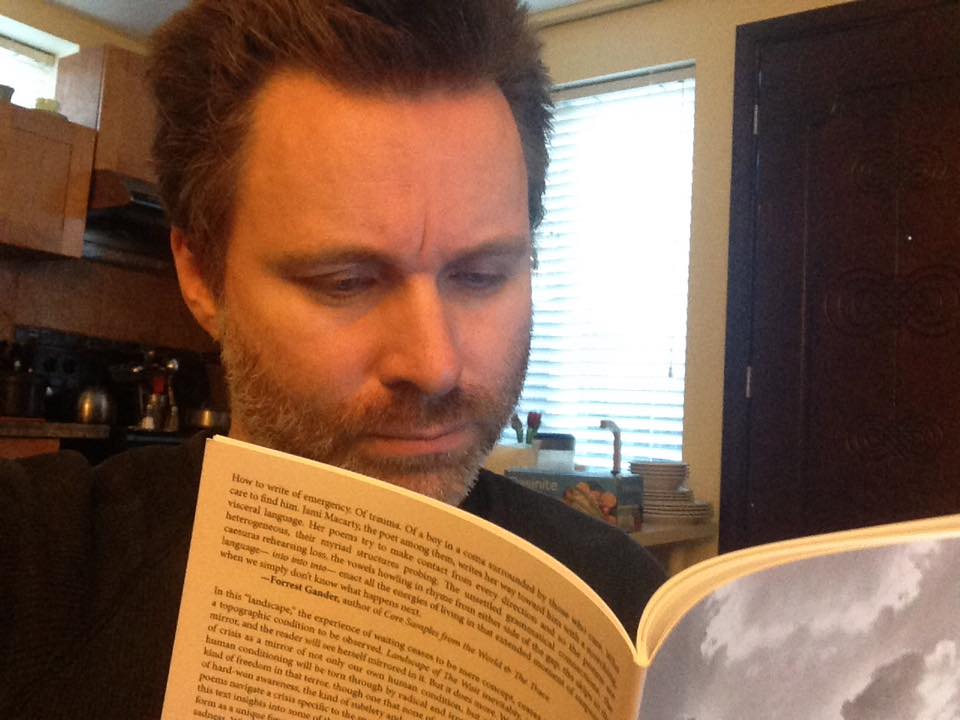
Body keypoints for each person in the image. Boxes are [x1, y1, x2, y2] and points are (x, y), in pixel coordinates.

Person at [0, 1, 665, 717]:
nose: (434, 365)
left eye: (480, 276)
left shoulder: (621, 605)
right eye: (345, 282)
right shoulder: (34, 570)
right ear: (199, 274)